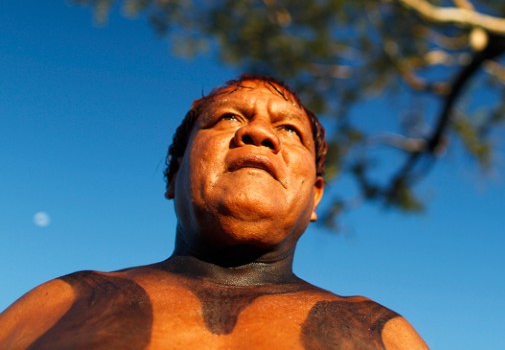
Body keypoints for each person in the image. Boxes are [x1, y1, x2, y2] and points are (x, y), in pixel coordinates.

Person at [0, 74, 428, 349]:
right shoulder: (61, 300)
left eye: (289, 129)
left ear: (316, 197)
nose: (258, 133)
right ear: (173, 175)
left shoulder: (381, 332)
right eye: (227, 118)